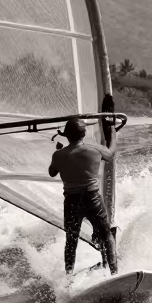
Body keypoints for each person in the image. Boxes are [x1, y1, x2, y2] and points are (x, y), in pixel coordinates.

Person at [48, 117, 118, 277]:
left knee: (71, 239)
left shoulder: (58, 154)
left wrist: (59, 152)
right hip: (92, 200)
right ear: (84, 133)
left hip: (72, 202)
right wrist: (113, 132)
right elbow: (111, 154)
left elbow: (52, 172)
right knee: (106, 235)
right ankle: (114, 272)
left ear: (66, 135)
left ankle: (68, 276)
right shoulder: (95, 150)